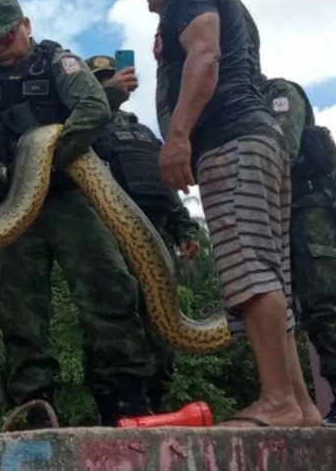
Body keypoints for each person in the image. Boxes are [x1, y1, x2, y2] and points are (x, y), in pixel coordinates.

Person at [0, 0, 154, 427]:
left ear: (25, 24)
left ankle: (125, 400)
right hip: (12, 206)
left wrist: (49, 159)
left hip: (70, 196)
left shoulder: (58, 62)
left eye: (3, 36)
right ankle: (35, 409)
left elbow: (94, 107)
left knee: (108, 292)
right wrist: (1, 172)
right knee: (17, 310)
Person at [138, 0, 321, 427]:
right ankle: (299, 407)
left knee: (249, 271)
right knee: (266, 271)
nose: (151, 5)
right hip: (258, 143)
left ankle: (277, 401)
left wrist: (178, 136)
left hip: (233, 141)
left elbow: (205, 53)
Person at [86, 54, 201, 411]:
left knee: (161, 321)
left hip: (155, 234)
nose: (111, 79)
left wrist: (184, 227)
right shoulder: (86, 127)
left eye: (112, 74)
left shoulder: (142, 130)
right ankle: (115, 403)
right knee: (113, 317)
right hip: (108, 234)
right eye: (101, 78)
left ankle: (158, 401)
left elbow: (163, 183)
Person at [263, 76, 336, 426]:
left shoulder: (278, 93)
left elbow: (282, 148)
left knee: (321, 306)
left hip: (310, 212)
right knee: (290, 310)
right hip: (286, 214)